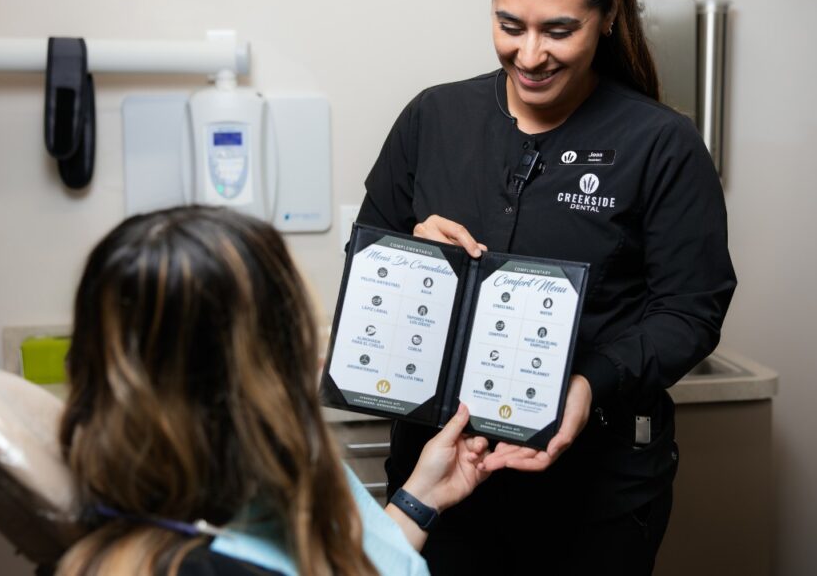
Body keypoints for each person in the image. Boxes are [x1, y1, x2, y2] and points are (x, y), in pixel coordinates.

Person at [356, 0, 737, 575]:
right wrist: (415, 253)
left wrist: (592, 381)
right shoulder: (433, 118)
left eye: (559, 30)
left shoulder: (662, 145)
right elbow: (369, 260)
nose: (529, 55)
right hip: (442, 479)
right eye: (510, 26)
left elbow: (691, 311)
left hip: (597, 494)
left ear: (610, 13)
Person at [55, 206, 490, 576]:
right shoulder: (210, 562)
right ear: (253, 377)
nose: (316, 361)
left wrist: (422, 497)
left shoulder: (242, 497)